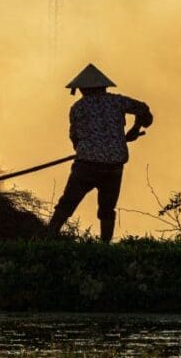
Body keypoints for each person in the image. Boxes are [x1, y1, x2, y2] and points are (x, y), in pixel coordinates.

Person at [48, 63, 152, 243]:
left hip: (86, 166)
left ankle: (47, 239)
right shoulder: (117, 101)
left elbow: (75, 138)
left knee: (67, 203)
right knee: (107, 209)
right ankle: (105, 246)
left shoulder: (78, 108)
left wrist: (87, 149)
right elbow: (144, 111)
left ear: (82, 89)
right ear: (103, 86)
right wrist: (135, 128)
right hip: (114, 166)